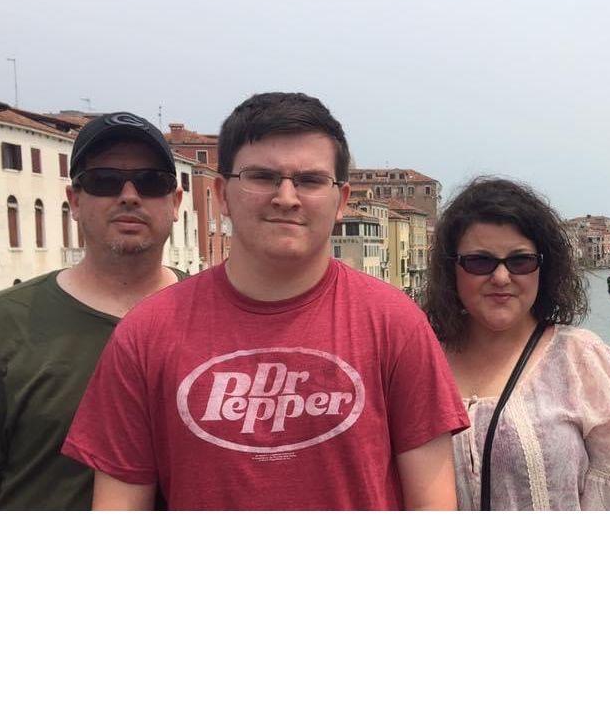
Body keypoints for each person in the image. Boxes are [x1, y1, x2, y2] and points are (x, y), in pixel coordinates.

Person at [62, 92, 468, 509]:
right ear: (221, 194)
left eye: (310, 180)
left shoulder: (397, 324)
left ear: (341, 201)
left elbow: (433, 507)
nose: (286, 197)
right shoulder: (145, 334)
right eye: (261, 177)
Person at [0, 111, 183, 509]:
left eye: (151, 182)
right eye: (105, 181)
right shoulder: (0, 323)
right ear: (75, 202)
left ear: (175, 202)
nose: (129, 196)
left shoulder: (217, 311)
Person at [423, 177, 610, 510]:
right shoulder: (418, 361)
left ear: (544, 266)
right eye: (480, 262)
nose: (500, 277)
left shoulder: (581, 360)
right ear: (451, 267)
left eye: (520, 261)